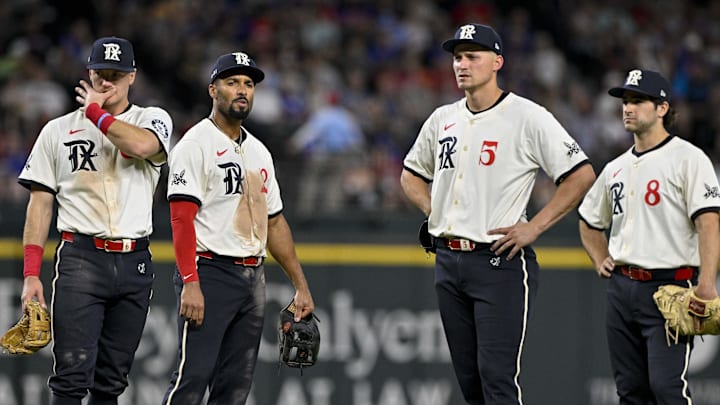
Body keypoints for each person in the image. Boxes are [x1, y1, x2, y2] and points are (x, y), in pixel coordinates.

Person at [400, 23, 596, 404]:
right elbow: (410, 175)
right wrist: (433, 210)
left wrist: (534, 227)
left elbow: (580, 174)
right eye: (458, 57)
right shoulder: (443, 118)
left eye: (473, 56)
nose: (462, 64)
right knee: (471, 384)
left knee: (497, 380)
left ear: (497, 62)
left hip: (499, 261)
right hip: (448, 260)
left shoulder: (527, 116)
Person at [17, 36, 173, 405]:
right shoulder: (57, 131)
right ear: (88, 72)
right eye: (101, 73)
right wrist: (30, 274)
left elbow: (140, 147)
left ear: (132, 76)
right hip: (81, 259)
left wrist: (95, 114)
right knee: (71, 377)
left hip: (134, 261)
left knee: (111, 382)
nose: (107, 82)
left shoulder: (152, 118)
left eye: (116, 75)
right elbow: (39, 204)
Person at [162, 51, 315, 405]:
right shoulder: (194, 144)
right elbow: (182, 219)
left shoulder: (260, 152)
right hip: (209, 272)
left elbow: (274, 222)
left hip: (252, 278)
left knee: (235, 389)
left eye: (248, 83)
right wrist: (190, 282)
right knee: (192, 378)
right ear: (213, 90)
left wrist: (300, 286)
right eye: (232, 82)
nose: (242, 90)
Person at [578, 68, 720, 404]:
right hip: (622, 288)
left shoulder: (688, 158)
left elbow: (709, 221)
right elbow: (588, 220)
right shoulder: (615, 168)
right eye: (626, 101)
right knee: (630, 392)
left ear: (662, 108)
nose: (628, 107)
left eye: (639, 100)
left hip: (670, 286)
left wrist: (708, 283)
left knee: (666, 388)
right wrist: (599, 257)